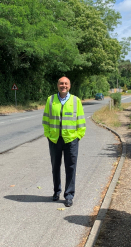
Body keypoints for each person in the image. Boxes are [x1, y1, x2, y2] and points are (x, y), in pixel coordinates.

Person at [42, 77, 86, 207]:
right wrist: (48, 135)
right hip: (55, 139)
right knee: (55, 166)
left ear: (69, 86)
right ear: (57, 85)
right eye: (61, 83)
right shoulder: (50, 100)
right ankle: (56, 192)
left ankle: (69, 195)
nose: (63, 85)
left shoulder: (76, 100)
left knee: (70, 167)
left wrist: (78, 136)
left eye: (66, 83)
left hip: (71, 140)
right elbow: (45, 120)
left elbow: (81, 120)